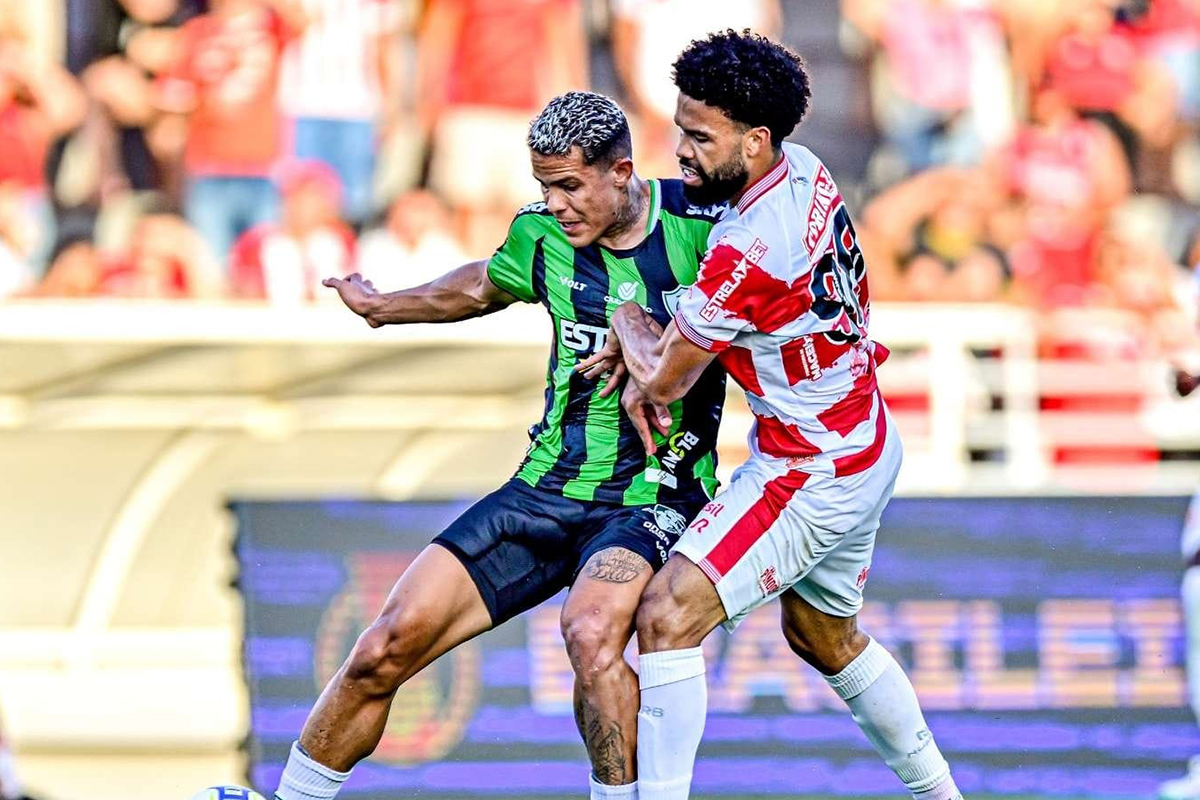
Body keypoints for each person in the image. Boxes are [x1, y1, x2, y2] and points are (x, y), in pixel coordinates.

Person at [273, 91, 728, 800]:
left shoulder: (704, 227)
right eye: (545, 187)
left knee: (590, 631)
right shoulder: (540, 235)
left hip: (652, 496)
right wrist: (384, 307)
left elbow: (759, 320)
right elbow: (483, 284)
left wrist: (644, 331)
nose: (556, 205)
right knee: (383, 646)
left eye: (569, 186)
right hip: (543, 489)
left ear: (621, 171)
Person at [579, 31, 964, 800]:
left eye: (699, 137)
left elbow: (662, 380)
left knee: (667, 615)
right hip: (863, 434)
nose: (681, 150)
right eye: (680, 129)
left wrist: (625, 316)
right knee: (824, 636)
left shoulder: (751, 250)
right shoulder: (806, 168)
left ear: (754, 141)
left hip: (808, 468)